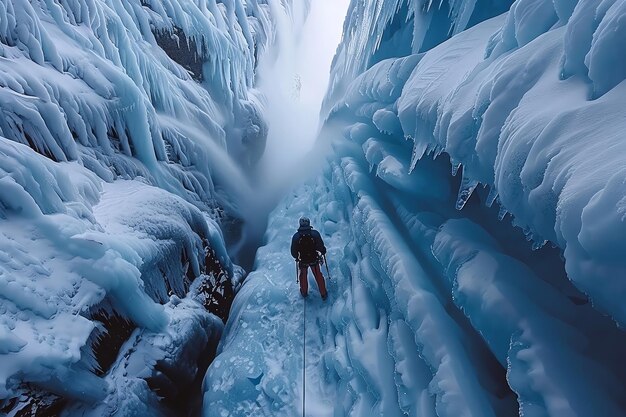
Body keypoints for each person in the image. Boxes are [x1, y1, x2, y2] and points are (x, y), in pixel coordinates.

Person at [291, 217, 328, 300]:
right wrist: (323, 251)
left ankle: (304, 292)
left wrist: (297, 257)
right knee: (318, 275)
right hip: (313, 259)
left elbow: (293, 251)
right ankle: (323, 293)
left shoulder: (296, 236)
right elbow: (320, 246)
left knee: (303, 276)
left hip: (303, 260)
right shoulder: (314, 234)